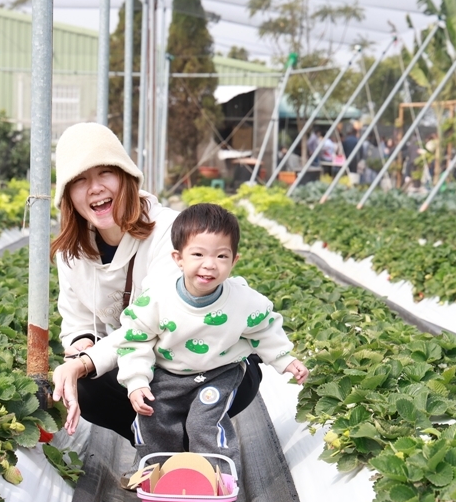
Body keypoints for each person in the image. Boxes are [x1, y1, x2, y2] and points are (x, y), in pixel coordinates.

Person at [48, 123, 264, 450]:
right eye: (79, 180)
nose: (93, 188)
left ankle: (198, 450)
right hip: (148, 373)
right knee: (86, 387)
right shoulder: (71, 252)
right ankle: (155, 448)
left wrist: (88, 361)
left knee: (101, 370)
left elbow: (157, 319)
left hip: (205, 364)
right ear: (67, 195)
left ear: (126, 177)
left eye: (105, 173)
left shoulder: (170, 232)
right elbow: (77, 320)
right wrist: (80, 351)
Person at [116, 203, 309, 477]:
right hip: (167, 373)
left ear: (234, 261)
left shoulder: (243, 300)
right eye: (198, 254)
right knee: (154, 418)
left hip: (218, 373)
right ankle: (156, 475)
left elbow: (265, 330)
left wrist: (285, 360)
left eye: (221, 256)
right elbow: (135, 340)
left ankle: (218, 485)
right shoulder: (156, 299)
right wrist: (136, 381)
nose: (209, 265)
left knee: (203, 424)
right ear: (178, 258)